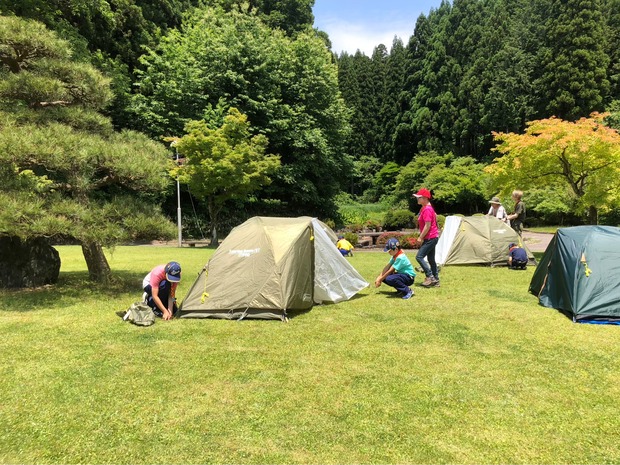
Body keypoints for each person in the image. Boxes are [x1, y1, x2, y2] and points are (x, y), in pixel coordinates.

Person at [413, 188, 440, 287]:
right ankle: (436, 280)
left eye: (419, 197)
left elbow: (427, 225)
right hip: (432, 237)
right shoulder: (426, 208)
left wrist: (420, 237)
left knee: (419, 257)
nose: (417, 199)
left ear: (425, 198)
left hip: (430, 237)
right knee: (431, 259)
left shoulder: (427, 209)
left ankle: (430, 277)